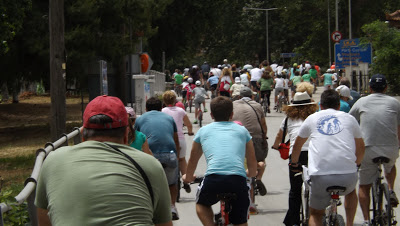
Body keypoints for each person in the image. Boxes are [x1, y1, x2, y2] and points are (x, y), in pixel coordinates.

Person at [35, 95, 172, 226]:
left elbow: (44, 221)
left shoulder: (53, 160)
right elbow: (164, 223)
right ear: (126, 135)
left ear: (83, 135)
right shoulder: (150, 164)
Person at [291, 89, 365, 226]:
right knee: (350, 192)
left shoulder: (312, 118)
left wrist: (294, 163)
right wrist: (357, 164)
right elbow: (361, 147)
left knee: (315, 214)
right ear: (339, 105)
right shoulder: (350, 119)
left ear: (320, 105)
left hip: (320, 176)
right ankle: (349, 223)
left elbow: (297, 146)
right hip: (347, 176)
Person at [183, 96, 257, 226]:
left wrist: (188, 177)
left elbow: (193, 160)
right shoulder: (242, 131)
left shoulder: (203, 131)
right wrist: (250, 173)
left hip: (213, 179)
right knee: (241, 221)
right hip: (237, 180)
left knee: (202, 204)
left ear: (211, 115)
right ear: (232, 114)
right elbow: (252, 161)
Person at [349, 74, 400, 225]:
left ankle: (366, 220)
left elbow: (349, 121)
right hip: (390, 146)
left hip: (368, 147)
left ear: (370, 88)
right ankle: (390, 190)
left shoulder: (361, 101)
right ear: (386, 87)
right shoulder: (394, 102)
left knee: (364, 185)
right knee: (390, 166)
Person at [272, 92, 318, 226]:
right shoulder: (314, 117)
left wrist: (276, 146)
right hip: (315, 153)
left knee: (295, 190)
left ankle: (294, 222)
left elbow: (279, 136)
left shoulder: (288, 119)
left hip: (297, 154)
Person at [134, 97, 181, 220]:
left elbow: (137, 139)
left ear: (146, 108)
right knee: (172, 183)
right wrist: (177, 156)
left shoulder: (140, 119)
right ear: (161, 108)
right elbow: (176, 140)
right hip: (169, 154)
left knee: (147, 183)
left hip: (149, 155)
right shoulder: (169, 118)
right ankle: (172, 207)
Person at [232, 87, 269, 213]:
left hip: (237, 138)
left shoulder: (233, 105)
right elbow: (263, 124)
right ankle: (258, 178)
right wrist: (264, 137)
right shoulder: (257, 105)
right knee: (260, 160)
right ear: (252, 96)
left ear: (239, 96)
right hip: (255, 138)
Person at [162, 91, 194, 194]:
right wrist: (190, 132)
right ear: (175, 100)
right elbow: (189, 124)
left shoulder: (162, 111)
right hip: (180, 139)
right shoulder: (181, 111)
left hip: (167, 139)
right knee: (182, 159)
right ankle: (186, 181)